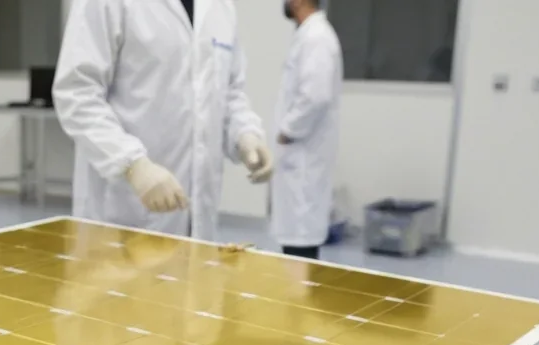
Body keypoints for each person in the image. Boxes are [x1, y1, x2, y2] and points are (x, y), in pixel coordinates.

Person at [54, 0, 274, 241]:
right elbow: (77, 92)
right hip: (123, 213)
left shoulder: (221, 7)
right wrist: (132, 164)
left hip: (198, 220)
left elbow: (228, 91)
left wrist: (245, 134)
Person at [273, 0, 342, 260]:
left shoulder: (316, 37)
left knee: (300, 248)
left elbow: (316, 97)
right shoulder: (308, 36)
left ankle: (299, 299)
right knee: (296, 244)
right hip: (299, 163)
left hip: (303, 162)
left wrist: (286, 131)